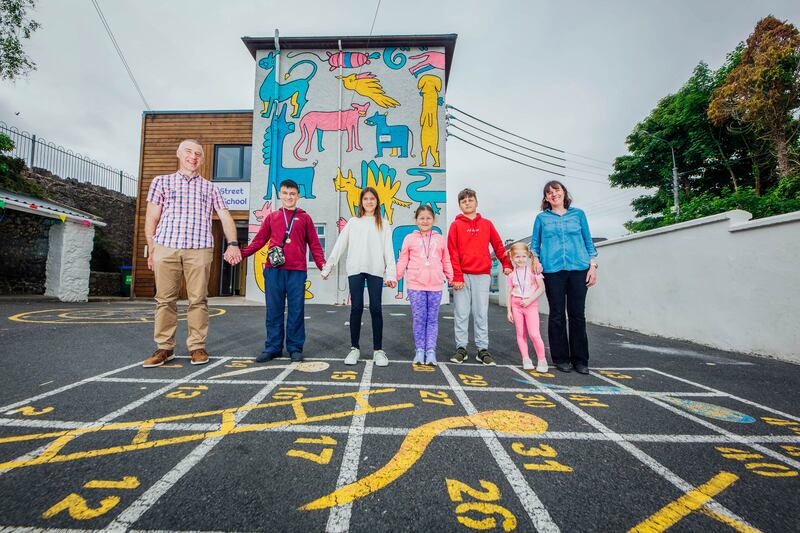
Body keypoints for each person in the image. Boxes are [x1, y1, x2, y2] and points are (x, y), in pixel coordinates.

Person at [143, 139, 242, 368]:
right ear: (179, 154)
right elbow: (152, 217)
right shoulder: (161, 182)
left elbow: (225, 216)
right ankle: (164, 348)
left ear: (202, 159)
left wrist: (234, 243)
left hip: (199, 248)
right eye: (188, 152)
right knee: (164, 300)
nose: (193, 156)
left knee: (198, 300)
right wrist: (151, 247)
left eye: (198, 154)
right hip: (166, 246)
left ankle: (197, 347)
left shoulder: (211, 187)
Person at [240, 179, 325, 363]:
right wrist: (241, 254)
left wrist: (322, 265)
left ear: (298, 196)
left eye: (292, 194)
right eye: (285, 193)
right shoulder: (273, 217)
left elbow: (315, 245)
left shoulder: (305, 218)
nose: (289, 197)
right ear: (280, 194)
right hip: (274, 270)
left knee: (296, 311)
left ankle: (295, 348)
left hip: (297, 271)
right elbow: (259, 241)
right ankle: (272, 347)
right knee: (274, 310)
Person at [320, 187, 396, 367]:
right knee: (356, 308)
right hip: (355, 269)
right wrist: (327, 267)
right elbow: (340, 245)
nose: (369, 202)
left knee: (376, 308)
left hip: (375, 269)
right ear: (361, 202)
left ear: (377, 202)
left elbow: (389, 251)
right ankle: (354, 348)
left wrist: (391, 274)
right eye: (365, 199)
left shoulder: (383, 223)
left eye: (372, 199)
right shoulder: (353, 222)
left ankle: (378, 351)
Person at [531, 180, 598, 375]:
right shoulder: (542, 218)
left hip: (578, 268)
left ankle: (581, 360)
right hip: (553, 270)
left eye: (557, 190)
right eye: (549, 193)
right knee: (557, 314)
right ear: (546, 198)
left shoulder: (578, 215)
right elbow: (535, 244)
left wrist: (593, 266)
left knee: (577, 315)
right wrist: (535, 259)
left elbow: (588, 242)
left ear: (564, 192)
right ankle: (561, 359)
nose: (554, 194)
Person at [447, 188, 512, 366]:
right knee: (461, 313)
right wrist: (457, 276)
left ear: (476, 202)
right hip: (462, 276)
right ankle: (461, 348)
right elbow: (452, 251)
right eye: (463, 201)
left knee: (480, 313)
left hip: (482, 275)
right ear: (459, 205)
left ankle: (482, 349)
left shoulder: (487, 224)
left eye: (470, 200)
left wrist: (506, 263)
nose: (467, 203)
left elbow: (498, 246)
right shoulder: (455, 225)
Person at [396, 205, 454, 366]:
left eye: (428, 218)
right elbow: (403, 260)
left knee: (433, 319)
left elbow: (446, 260)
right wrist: (396, 276)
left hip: (435, 286)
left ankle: (431, 351)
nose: (425, 221)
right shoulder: (409, 238)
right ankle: (419, 350)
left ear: (433, 220)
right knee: (419, 318)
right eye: (421, 218)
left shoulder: (440, 239)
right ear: (416, 220)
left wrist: (451, 277)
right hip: (416, 285)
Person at [506, 242, 547, 372]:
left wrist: (529, 300)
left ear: (528, 256)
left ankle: (542, 359)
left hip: (530, 305)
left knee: (534, 334)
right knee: (520, 333)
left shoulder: (533, 270)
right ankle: (526, 358)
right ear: (512, 257)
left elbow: (542, 288)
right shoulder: (511, 275)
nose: (521, 259)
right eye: (517, 257)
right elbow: (509, 293)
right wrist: (509, 310)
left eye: (523, 256)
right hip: (516, 305)